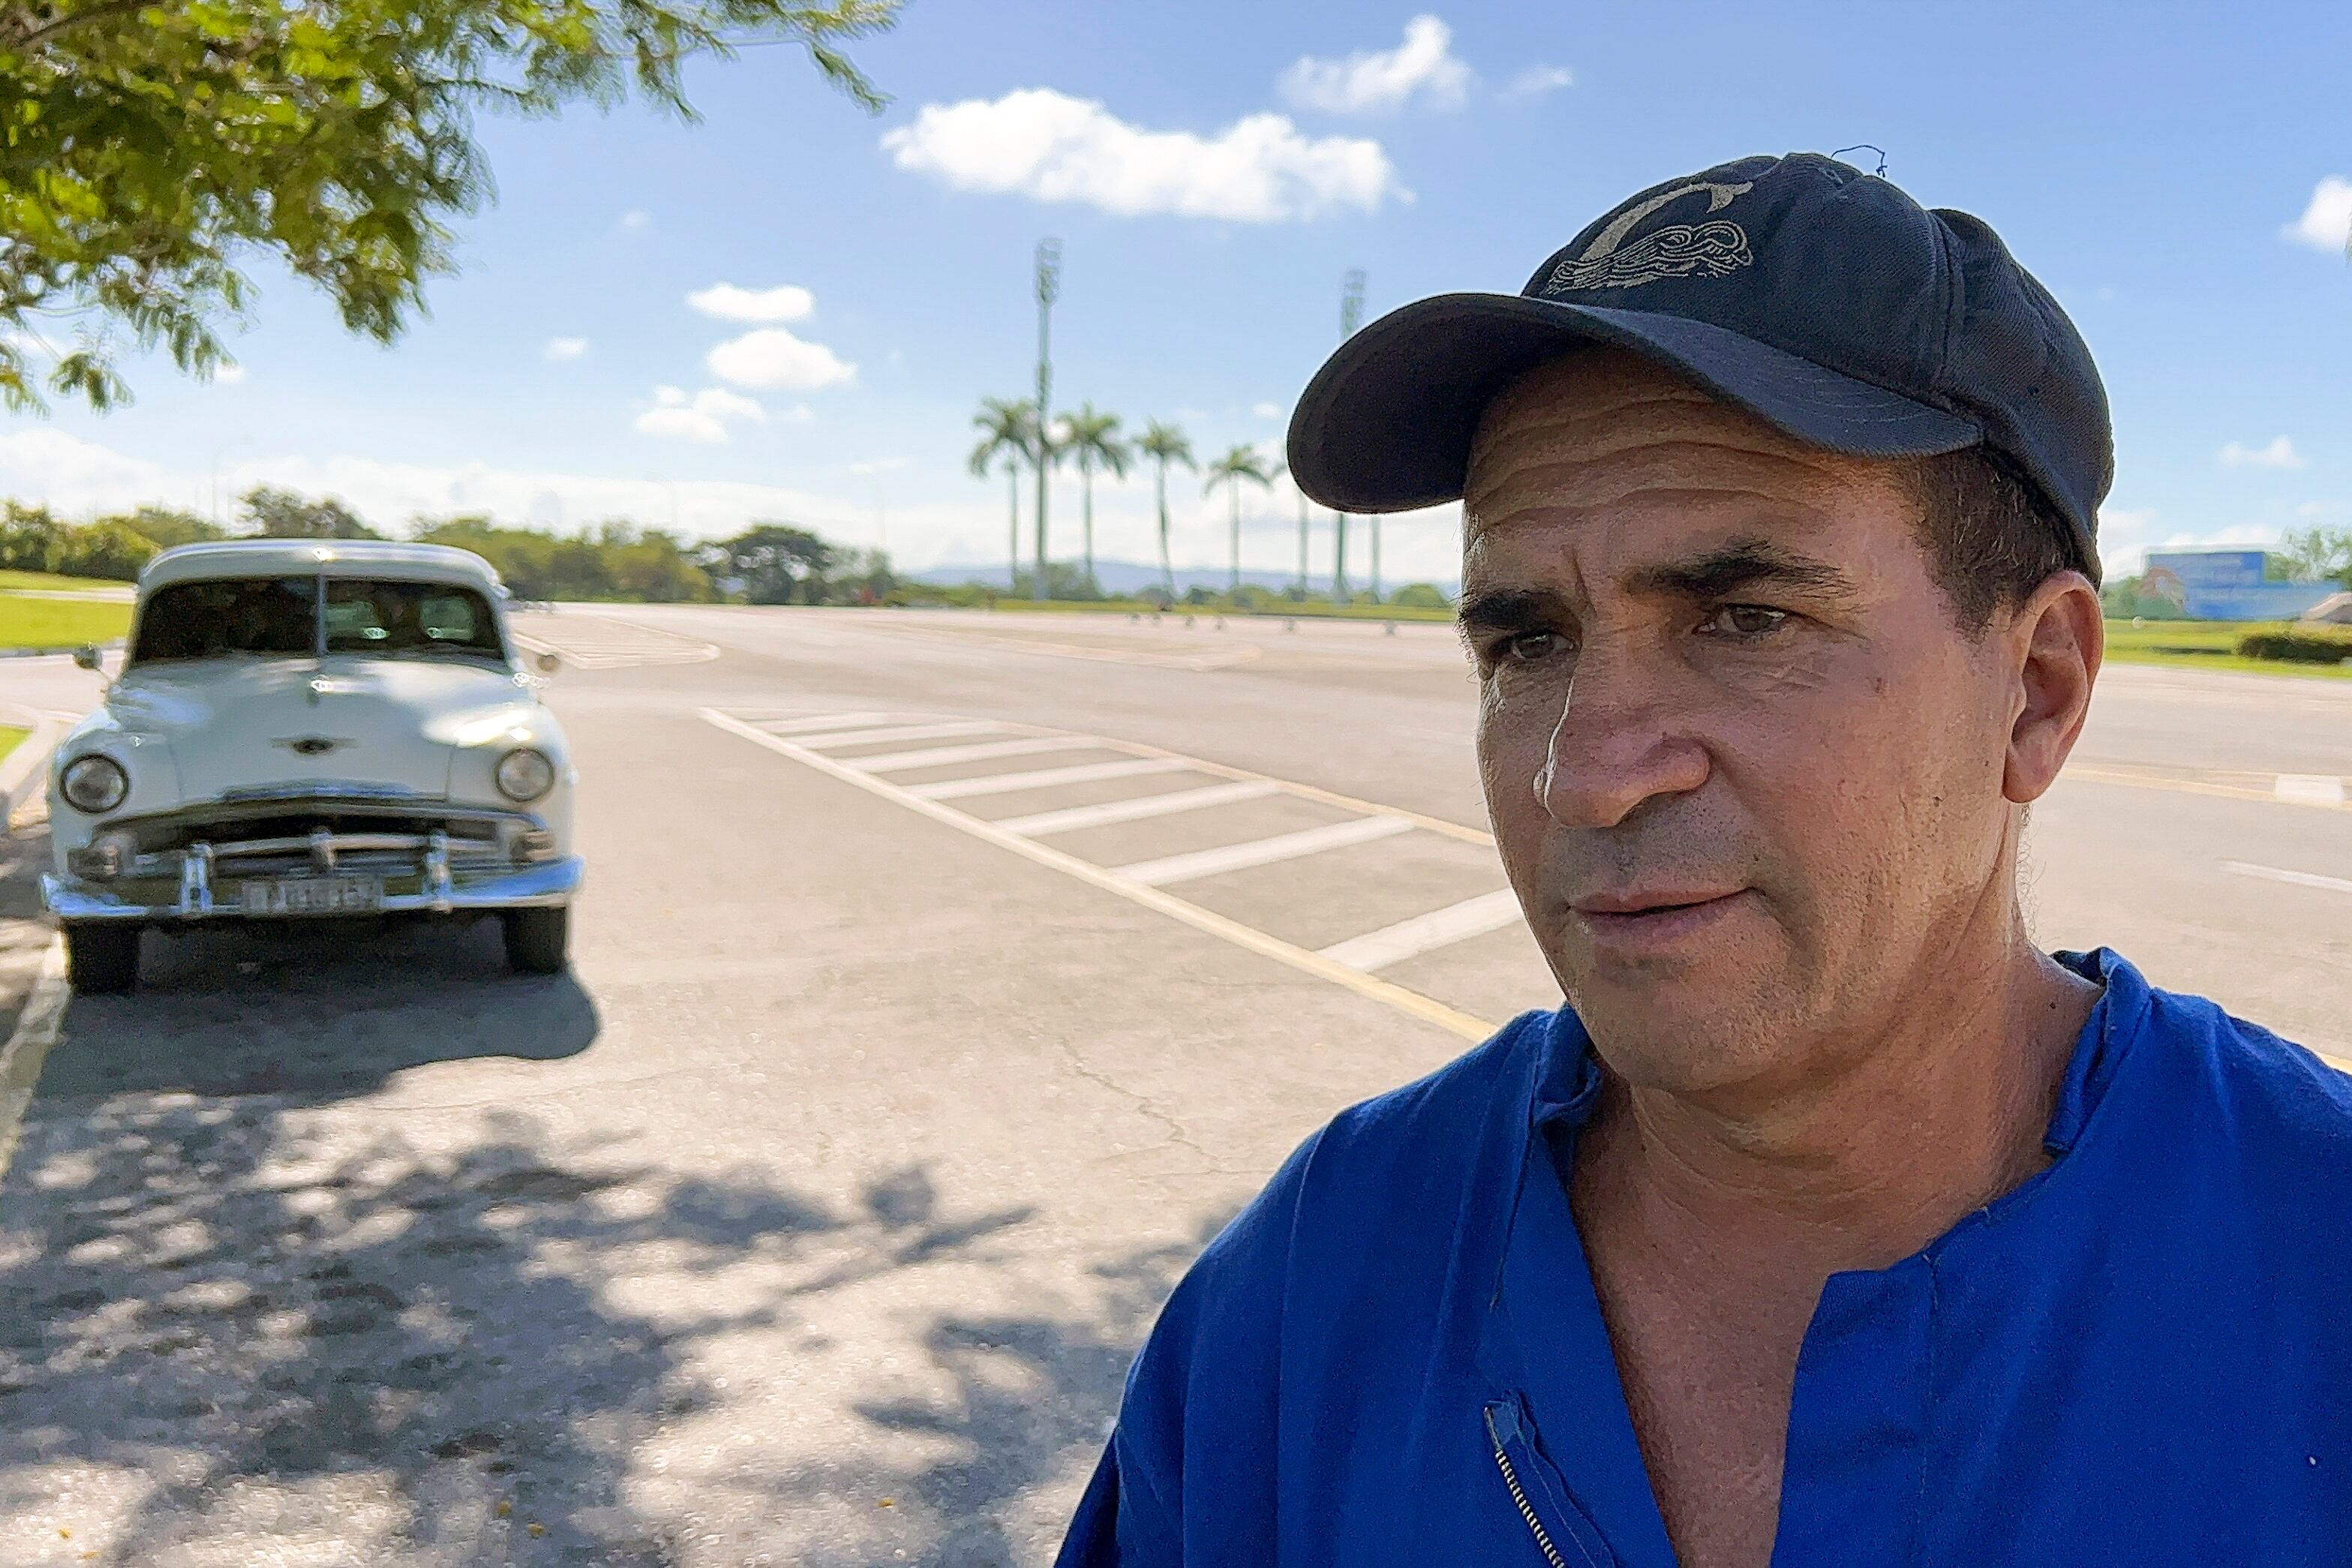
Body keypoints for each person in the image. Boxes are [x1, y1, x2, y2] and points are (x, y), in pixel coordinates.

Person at [1053, 152, 2352, 1566]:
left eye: (1744, 617)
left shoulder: (2315, 1258)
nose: (1587, 774)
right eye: (1526, 641)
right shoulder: (1319, 1281)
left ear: (2037, 689)